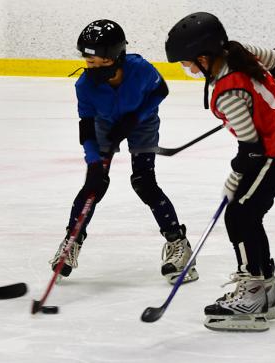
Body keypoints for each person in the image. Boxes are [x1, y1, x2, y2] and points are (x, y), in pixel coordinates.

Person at [165, 12, 275, 332]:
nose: (188, 70)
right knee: (249, 211)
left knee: (240, 212)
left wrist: (234, 178)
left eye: (187, 63)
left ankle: (253, 290)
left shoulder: (227, 93)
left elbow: (252, 149)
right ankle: (264, 286)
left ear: (203, 58)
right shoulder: (240, 51)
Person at [50, 19, 198, 285]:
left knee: (143, 182)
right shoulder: (84, 85)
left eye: (99, 62)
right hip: (104, 125)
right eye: (89, 62)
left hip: (143, 123)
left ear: (116, 57)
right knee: (94, 185)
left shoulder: (139, 68)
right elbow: (86, 128)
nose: (92, 68)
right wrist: (94, 162)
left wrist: (135, 117)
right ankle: (72, 240)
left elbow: (160, 90)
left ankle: (179, 244)